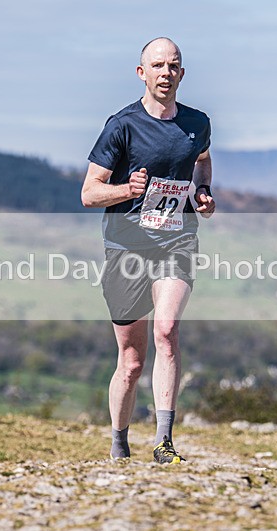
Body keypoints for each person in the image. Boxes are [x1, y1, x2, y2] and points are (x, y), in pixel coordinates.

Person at [80, 37, 214, 464]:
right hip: (126, 249)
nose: (165, 73)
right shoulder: (122, 125)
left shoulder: (198, 122)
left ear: (182, 73)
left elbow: (202, 159)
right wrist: (127, 190)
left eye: (173, 66)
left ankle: (163, 442)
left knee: (167, 332)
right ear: (142, 73)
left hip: (177, 240)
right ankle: (119, 444)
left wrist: (203, 192)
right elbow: (89, 193)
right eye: (157, 66)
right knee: (132, 360)